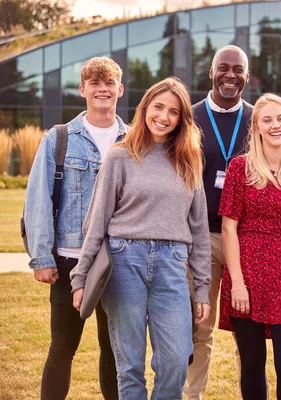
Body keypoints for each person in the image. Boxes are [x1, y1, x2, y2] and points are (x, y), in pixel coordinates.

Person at [69, 77, 211, 399]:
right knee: (129, 365)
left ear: (181, 119)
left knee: (176, 360)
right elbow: (97, 221)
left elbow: (199, 229)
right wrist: (80, 277)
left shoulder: (189, 161)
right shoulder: (120, 157)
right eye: (158, 107)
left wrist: (202, 287)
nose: (163, 116)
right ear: (145, 107)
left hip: (173, 264)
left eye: (173, 112)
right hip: (124, 261)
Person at [23, 56, 124, 400]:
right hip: (71, 260)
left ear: (119, 90)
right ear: (82, 90)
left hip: (121, 261)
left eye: (109, 82)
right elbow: (37, 199)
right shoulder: (60, 139)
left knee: (114, 352)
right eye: (94, 83)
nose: (102, 89)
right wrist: (41, 258)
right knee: (62, 347)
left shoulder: (134, 139)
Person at [218, 93, 281, 399]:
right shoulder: (241, 168)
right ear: (257, 128)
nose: (275, 125)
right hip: (246, 272)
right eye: (267, 120)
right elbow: (228, 227)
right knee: (252, 363)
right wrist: (237, 283)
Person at [185, 44, 253, 400]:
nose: (230, 75)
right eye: (223, 68)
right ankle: (191, 395)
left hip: (247, 238)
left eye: (238, 69)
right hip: (202, 237)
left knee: (249, 330)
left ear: (247, 75)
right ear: (211, 72)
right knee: (200, 326)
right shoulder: (189, 117)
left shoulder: (260, 119)